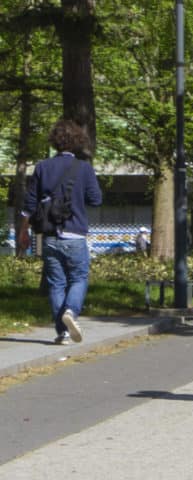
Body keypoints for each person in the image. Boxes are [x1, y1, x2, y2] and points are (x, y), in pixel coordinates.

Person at [18, 119, 103, 345]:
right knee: (79, 277)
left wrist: (23, 232)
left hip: (49, 236)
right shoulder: (84, 168)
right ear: (77, 142)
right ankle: (71, 312)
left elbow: (29, 203)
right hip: (75, 235)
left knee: (56, 283)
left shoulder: (42, 167)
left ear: (54, 142)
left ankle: (63, 333)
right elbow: (96, 199)